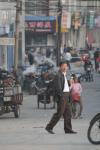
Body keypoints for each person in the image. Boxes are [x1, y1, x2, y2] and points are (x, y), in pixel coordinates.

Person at [45, 61, 77, 134]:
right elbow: (58, 88)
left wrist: (70, 82)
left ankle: (68, 129)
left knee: (68, 113)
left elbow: (66, 85)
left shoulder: (65, 74)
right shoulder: (58, 75)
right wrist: (61, 96)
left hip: (66, 95)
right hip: (62, 96)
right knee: (59, 113)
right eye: (63, 66)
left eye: (66, 66)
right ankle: (49, 127)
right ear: (60, 67)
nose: (65, 67)